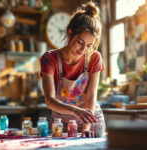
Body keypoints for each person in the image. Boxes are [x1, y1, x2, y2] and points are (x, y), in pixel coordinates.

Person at [40, 1, 105, 137]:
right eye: (80, 42)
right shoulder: (50, 59)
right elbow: (49, 101)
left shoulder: (94, 58)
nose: (83, 50)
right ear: (70, 33)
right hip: (61, 122)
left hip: (91, 119)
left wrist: (87, 127)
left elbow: (91, 97)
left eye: (89, 45)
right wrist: (76, 111)